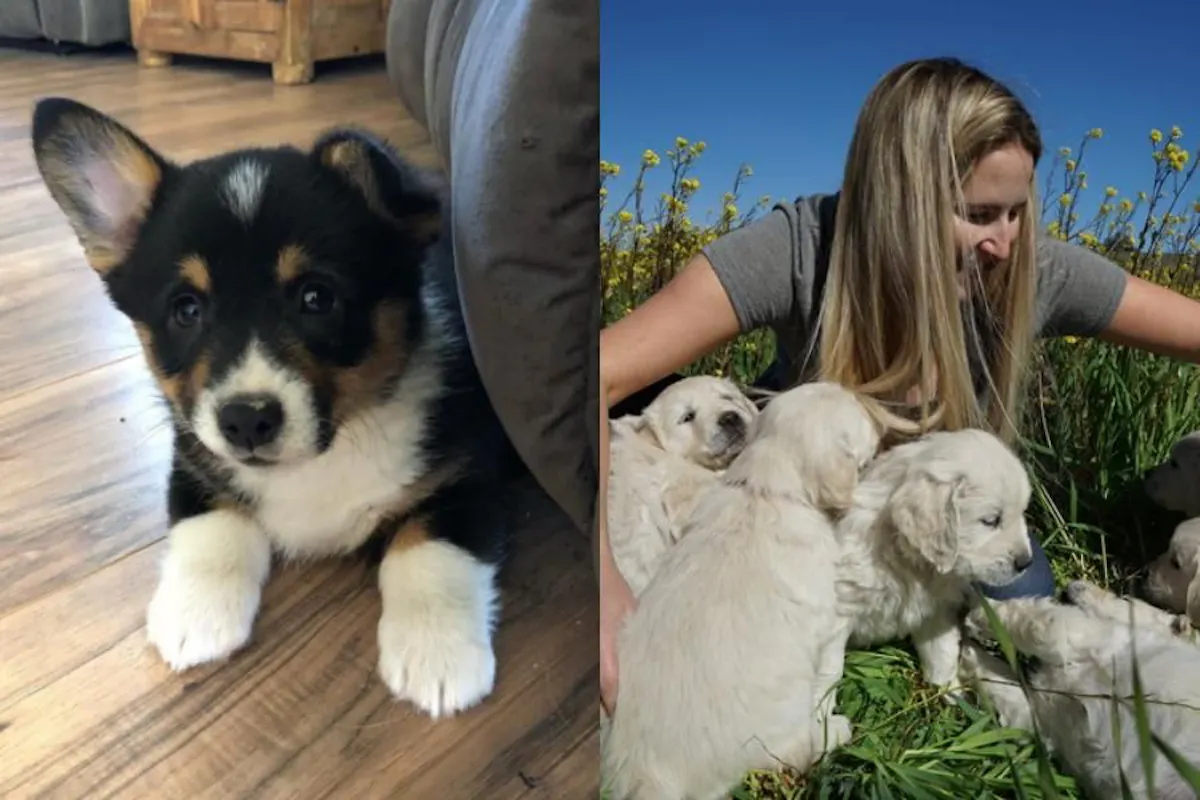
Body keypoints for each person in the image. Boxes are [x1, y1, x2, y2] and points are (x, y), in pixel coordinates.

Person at [597, 56, 1200, 716]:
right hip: (796, 508)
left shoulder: (1031, 269)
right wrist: (601, 584)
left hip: (941, 519)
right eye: (977, 214)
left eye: (1017, 212)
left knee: (1021, 599)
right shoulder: (802, 247)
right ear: (896, 203)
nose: (1003, 243)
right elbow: (592, 377)